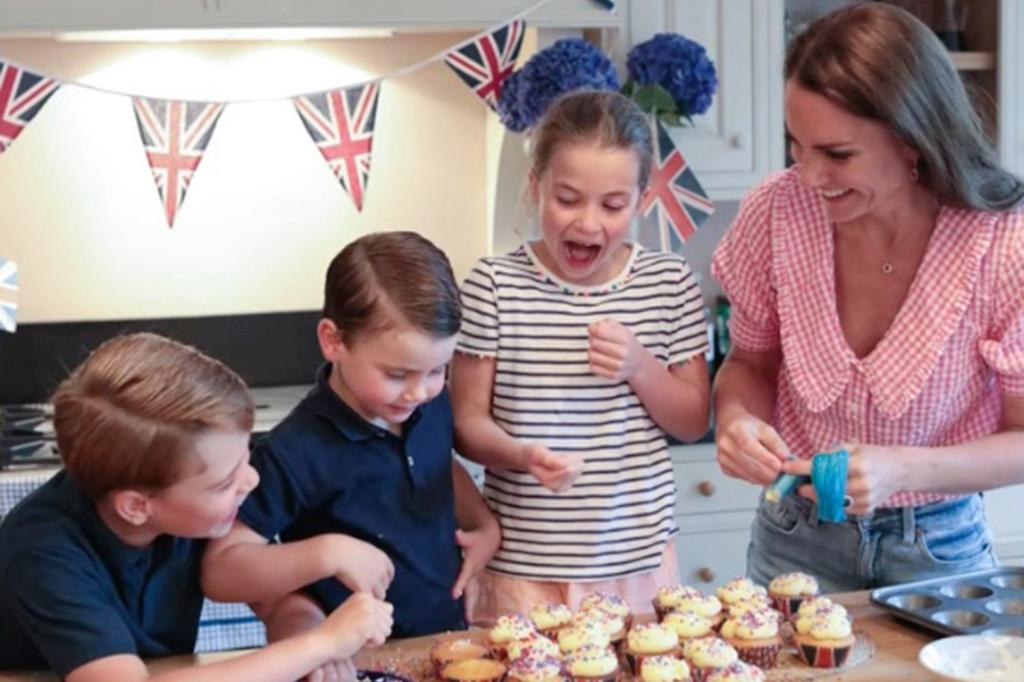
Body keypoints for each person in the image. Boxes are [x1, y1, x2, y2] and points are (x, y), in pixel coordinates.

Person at [712, 3, 1024, 592]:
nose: (807, 176)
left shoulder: (1003, 244)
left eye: (837, 154)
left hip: (938, 545)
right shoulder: (774, 212)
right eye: (795, 146)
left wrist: (905, 468)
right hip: (792, 531)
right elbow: (750, 361)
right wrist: (735, 420)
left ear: (914, 140)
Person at [450, 89, 712, 621]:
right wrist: (523, 455)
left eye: (612, 205)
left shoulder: (669, 284)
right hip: (522, 568)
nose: (587, 223)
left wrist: (640, 367)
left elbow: (692, 420)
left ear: (641, 200)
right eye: (567, 198)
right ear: (534, 187)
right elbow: (465, 425)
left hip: (636, 565)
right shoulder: (495, 287)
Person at [0, 333, 393, 682]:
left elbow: (275, 598)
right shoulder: (41, 550)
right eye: (224, 482)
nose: (250, 480)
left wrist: (307, 642)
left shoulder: (197, 511)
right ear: (136, 507)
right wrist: (320, 644)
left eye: (246, 457)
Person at [201, 231, 501, 643]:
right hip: (355, 659)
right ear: (333, 340)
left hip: (444, 642)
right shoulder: (294, 451)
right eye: (396, 375)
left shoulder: (429, 405)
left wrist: (483, 524)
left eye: (436, 370)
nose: (418, 392)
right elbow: (221, 570)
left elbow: (436, 465)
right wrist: (326, 553)